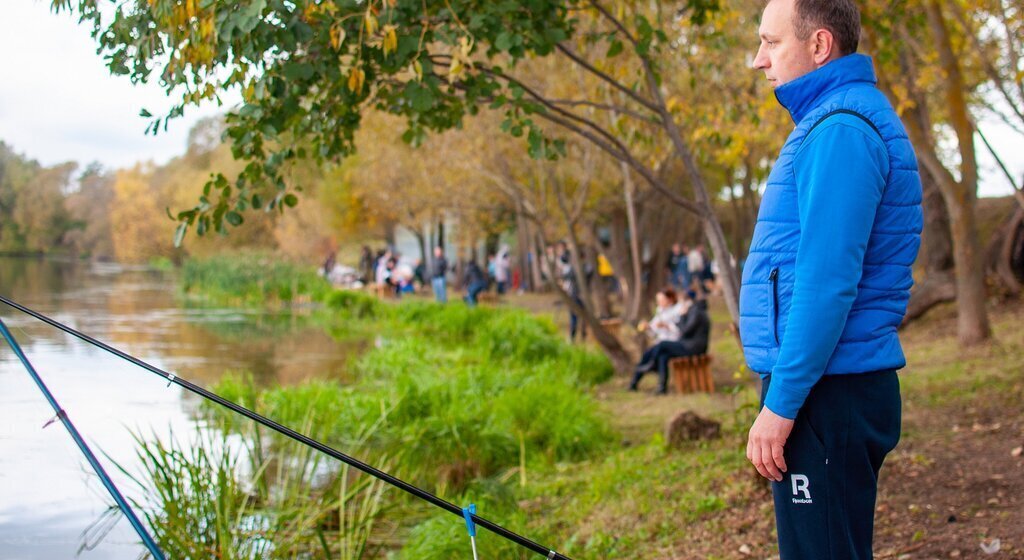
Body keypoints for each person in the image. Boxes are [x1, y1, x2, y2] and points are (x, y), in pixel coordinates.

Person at [742, 1, 923, 558]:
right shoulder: (834, 122)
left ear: (819, 46)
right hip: (827, 386)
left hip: (826, 391)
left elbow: (826, 284)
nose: (757, 60)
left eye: (771, 42)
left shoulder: (839, 130)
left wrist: (782, 405)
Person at [628, 290, 709, 394]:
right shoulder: (662, 311)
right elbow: (655, 330)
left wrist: (679, 318)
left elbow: (683, 331)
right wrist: (649, 327)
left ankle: (652, 365)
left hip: (690, 346)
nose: (659, 303)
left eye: (661, 300)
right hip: (683, 344)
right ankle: (660, 387)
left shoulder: (694, 312)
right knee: (661, 355)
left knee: (661, 345)